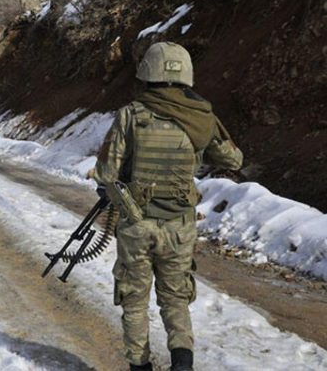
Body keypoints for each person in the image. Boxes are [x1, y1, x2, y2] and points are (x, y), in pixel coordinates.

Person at [93, 42, 243, 371]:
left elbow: (105, 174)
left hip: (136, 225)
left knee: (134, 301)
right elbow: (233, 158)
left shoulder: (130, 115)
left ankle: (140, 366)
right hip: (179, 226)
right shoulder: (202, 116)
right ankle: (182, 365)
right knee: (175, 299)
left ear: (147, 72)